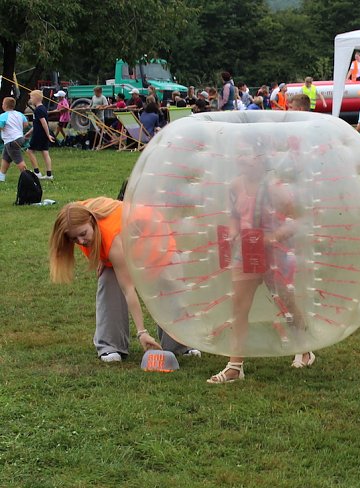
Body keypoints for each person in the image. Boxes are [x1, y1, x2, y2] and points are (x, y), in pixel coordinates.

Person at [208, 148, 315, 383]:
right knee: (239, 305)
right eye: (240, 155)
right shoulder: (235, 185)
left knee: (286, 302)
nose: (241, 160)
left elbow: (297, 219)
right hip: (246, 252)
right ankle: (235, 365)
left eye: (247, 155)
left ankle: (305, 348)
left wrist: (275, 236)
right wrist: (233, 234)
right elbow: (235, 216)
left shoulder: (276, 188)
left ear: (259, 160)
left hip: (274, 254)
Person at [48, 198, 199, 362]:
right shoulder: (75, 215)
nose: (81, 242)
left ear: (91, 220)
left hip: (154, 239)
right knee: (108, 280)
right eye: (74, 239)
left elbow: (129, 290)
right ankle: (110, 346)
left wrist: (142, 331)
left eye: (83, 234)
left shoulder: (112, 239)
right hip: (124, 241)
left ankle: (180, 344)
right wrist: (102, 257)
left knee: (170, 286)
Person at [24, 90, 54, 180]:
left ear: (36, 98)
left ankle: (37, 172)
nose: (30, 100)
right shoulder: (43, 108)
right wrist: (29, 132)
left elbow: (44, 123)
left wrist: (48, 134)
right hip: (42, 133)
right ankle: (49, 174)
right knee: (45, 152)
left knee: (29, 151)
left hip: (39, 134)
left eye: (31, 97)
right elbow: (37, 123)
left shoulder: (38, 109)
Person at [0, 96, 29, 183]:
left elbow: (1, 126)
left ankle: (28, 178)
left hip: (11, 140)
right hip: (19, 138)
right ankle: (1, 177)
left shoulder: (3, 116)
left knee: (18, 160)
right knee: (6, 157)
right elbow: (26, 124)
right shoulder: (19, 114)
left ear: (5, 105)